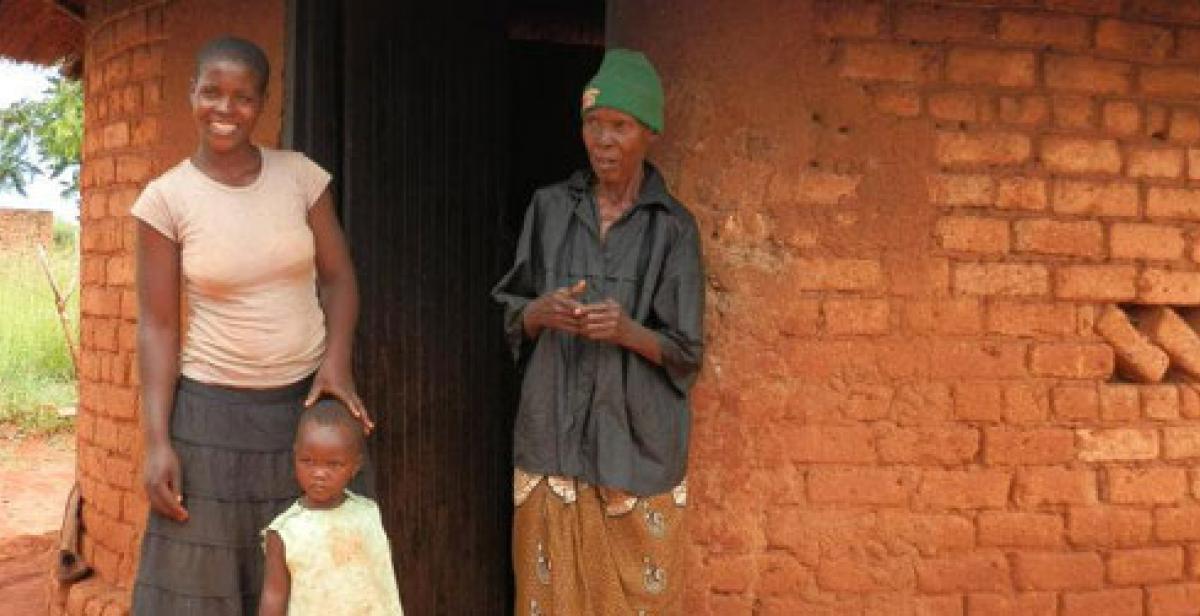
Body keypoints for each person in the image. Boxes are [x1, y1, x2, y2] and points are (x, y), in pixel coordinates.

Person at [130, 36, 373, 615]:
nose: (225, 109)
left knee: (315, 577)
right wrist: (157, 441)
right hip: (210, 419)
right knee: (203, 585)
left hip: (302, 413)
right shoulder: (165, 200)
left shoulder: (301, 179)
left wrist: (336, 361)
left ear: (262, 103)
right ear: (192, 92)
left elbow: (339, 278)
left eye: (243, 96)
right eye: (212, 91)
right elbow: (158, 327)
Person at [492, 48, 705, 615]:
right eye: (593, 124)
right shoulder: (549, 209)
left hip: (633, 444)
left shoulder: (674, 229)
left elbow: (686, 353)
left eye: (620, 126)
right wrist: (542, 311)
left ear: (649, 132)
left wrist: (627, 330)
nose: (603, 140)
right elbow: (512, 311)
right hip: (552, 433)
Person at [258, 401, 403, 616]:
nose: (319, 473)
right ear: (295, 457)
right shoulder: (284, 532)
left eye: (333, 464)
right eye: (307, 461)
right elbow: (273, 596)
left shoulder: (368, 514)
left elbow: (382, 581)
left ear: (355, 466)